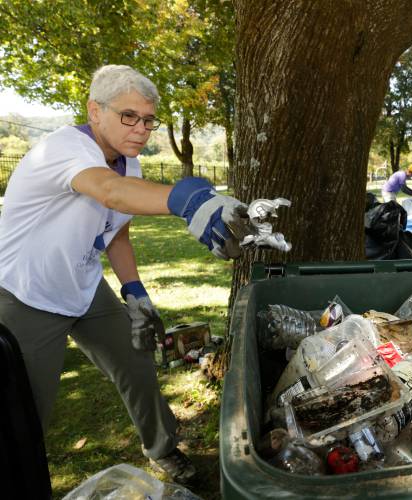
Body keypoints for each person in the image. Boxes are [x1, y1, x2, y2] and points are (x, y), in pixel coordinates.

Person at [0, 65, 287, 484]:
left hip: (82, 287)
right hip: (26, 294)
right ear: (94, 111)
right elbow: (108, 191)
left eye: (148, 120)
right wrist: (186, 196)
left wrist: (135, 292)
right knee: (23, 412)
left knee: (137, 361)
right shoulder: (65, 148)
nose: (141, 129)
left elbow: (117, 233)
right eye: (128, 116)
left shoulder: (128, 164)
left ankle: (163, 449)